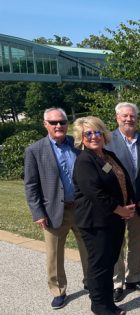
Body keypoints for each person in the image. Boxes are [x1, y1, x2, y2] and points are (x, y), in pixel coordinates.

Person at [24, 108, 89, 310]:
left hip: (81, 208)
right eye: (53, 123)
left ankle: (91, 282)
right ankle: (58, 290)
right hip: (52, 211)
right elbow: (31, 185)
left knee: (89, 249)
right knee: (54, 255)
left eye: (61, 121)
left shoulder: (78, 144)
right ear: (45, 124)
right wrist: (37, 212)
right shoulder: (34, 150)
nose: (58, 125)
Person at [73, 116, 135, 315]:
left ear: (103, 134)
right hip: (95, 222)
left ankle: (108, 303)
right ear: (81, 138)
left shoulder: (107, 156)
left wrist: (130, 203)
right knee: (99, 265)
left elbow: (122, 180)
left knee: (109, 263)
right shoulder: (84, 161)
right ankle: (99, 306)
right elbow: (95, 193)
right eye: (88, 134)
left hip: (113, 220)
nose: (93, 137)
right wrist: (120, 209)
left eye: (97, 132)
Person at [106, 102, 140, 302]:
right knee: (117, 243)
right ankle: (118, 283)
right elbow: (104, 173)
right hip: (118, 204)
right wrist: (114, 201)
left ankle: (134, 277)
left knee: (138, 243)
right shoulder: (107, 140)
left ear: (137, 118)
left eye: (132, 116)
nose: (128, 119)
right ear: (117, 118)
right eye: (124, 116)